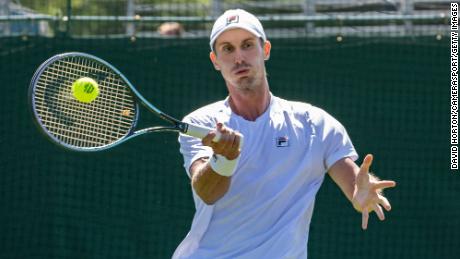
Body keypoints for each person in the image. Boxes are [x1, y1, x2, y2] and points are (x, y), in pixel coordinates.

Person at [173, 9, 396, 259]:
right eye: (227, 49)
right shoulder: (200, 122)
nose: (239, 58)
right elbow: (207, 192)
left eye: (247, 45)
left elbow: (354, 183)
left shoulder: (315, 124)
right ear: (215, 60)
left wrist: (362, 194)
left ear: (265, 50)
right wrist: (223, 160)